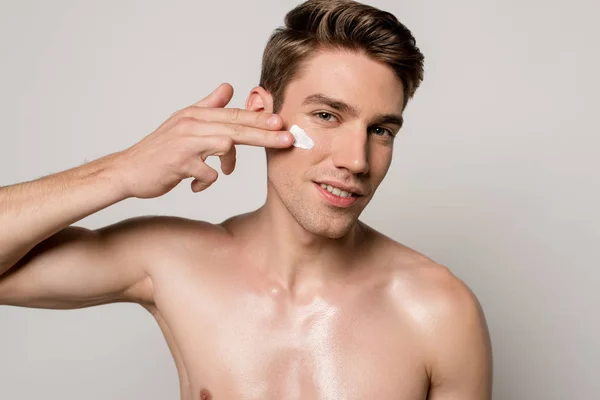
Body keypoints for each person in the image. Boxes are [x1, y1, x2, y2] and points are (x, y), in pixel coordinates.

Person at [0, 0, 492, 398]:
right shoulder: (173, 264)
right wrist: (122, 172)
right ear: (261, 114)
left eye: (380, 129)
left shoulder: (438, 311)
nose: (357, 160)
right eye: (326, 116)